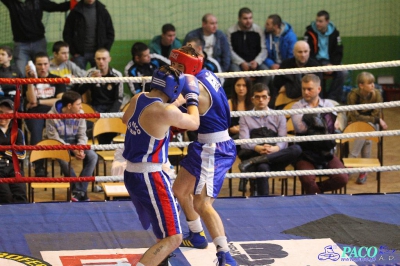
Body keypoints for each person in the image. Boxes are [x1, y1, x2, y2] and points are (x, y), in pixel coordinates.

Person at [122, 65, 200, 266]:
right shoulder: (165, 111)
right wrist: (192, 97)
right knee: (174, 237)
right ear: (174, 89)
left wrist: (178, 100)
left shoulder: (138, 98)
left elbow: (125, 119)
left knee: (165, 226)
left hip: (132, 173)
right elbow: (194, 122)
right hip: (150, 176)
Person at [170, 46, 237, 265]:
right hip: (203, 143)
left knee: (202, 203)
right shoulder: (206, 73)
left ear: (185, 66)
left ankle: (224, 254)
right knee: (180, 190)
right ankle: (197, 235)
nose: (172, 69)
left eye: (177, 66)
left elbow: (172, 107)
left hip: (214, 148)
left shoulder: (192, 84)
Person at [237, 83, 302, 196]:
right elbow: (244, 141)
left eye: (264, 97)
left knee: (297, 149)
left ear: (269, 99)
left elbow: (283, 140)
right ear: (252, 99)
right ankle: (264, 200)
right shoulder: (245, 116)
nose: (261, 100)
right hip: (256, 153)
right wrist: (258, 148)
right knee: (262, 167)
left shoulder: (279, 115)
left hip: (276, 156)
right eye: (257, 97)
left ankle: (254, 161)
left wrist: (274, 148)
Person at [291, 74, 348, 194]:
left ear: (319, 89)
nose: (305, 92)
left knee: (342, 178)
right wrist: (322, 120)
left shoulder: (329, 105)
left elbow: (331, 128)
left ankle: (316, 193)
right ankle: (318, 199)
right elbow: (301, 128)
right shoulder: (296, 106)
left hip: (326, 152)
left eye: (309, 89)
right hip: (305, 153)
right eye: (303, 89)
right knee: (307, 181)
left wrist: (310, 119)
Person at [46, 91, 98, 201]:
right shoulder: (51, 115)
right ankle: (79, 192)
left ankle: (78, 191)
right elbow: (55, 139)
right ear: (69, 106)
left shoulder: (80, 113)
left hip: (76, 142)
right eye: (78, 104)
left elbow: (82, 134)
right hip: (59, 144)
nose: (81, 107)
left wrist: (80, 147)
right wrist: (72, 149)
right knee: (63, 158)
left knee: (93, 156)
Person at [0, 0, 71, 76]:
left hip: (38, 42)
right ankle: (23, 88)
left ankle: (43, 87)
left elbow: (56, 7)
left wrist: (73, 3)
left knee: (43, 70)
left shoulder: (38, 1)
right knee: (20, 73)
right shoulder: (12, 3)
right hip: (21, 44)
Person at [24, 52, 67, 177]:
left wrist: (39, 101)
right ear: (34, 66)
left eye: (45, 64)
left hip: (52, 113)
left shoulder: (57, 79)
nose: (42, 67)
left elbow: (59, 100)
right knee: (36, 132)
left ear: (49, 64)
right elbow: (31, 100)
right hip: (34, 114)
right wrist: (30, 81)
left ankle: (65, 165)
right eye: (39, 64)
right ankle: (39, 167)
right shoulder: (27, 80)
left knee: (59, 133)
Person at [72, 48, 122, 144]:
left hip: (111, 108)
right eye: (98, 59)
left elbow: (119, 99)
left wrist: (109, 115)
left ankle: (105, 147)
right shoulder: (90, 73)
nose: (101, 61)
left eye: (104, 58)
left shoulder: (116, 75)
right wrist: (90, 81)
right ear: (95, 60)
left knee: (109, 128)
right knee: (84, 128)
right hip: (94, 107)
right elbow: (79, 92)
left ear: (109, 59)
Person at [346, 72, 387, 184]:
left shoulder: (377, 94)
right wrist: (375, 120)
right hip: (355, 124)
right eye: (369, 83)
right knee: (366, 132)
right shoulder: (353, 95)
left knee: (367, 129)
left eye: (373, 83)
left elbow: (376, 115)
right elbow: (354, 116)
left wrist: (375, 120)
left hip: (372, 125)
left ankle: (351, 162)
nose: (373, 85)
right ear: (361, 85)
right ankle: (364, 170)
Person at [304, 10, 345, 102]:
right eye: (317, 21)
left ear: (327, 22)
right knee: (317, 73)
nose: (317, 23)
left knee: (343, 73)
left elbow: (339, 51)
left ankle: (332, 99)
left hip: (330, 61)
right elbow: (308, 53)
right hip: (316, 61)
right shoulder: (309, 33)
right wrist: (319, 65)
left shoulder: (335, 33)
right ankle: (320, 99)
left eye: (320, 21)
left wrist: (333, 65)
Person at [63, 0, 115, 70]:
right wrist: (73, 51)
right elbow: (67, 33)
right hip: (79, 54)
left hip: (98, 53)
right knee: (78, 79)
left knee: (99, 79)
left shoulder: (103, 12)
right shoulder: (75, 12)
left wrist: (104, 51)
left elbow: (110, 33)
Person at [227, 7, 269, 86]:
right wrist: (241, 62)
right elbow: (230, 51)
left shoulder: (259, 30)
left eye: (250, 18)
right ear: (239, 18)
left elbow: (264, 49)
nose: (248, 21)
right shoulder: (231, 31)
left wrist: (257, 61)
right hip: (237, 63)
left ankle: (260, 94)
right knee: (234, 73)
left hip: (255, 62)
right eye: (245, 18)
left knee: (266, 72)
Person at [273, 41, 322, 105]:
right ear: (294, 52)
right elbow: (276, 83)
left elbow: (319, 89)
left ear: (309, 51)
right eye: (300, 52)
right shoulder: (285, 64)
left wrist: (287, 87)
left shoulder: (315, 66)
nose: (303, 55)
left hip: (309, 101)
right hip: (287, 100)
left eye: (305, 51)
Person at [0, 99, 27, 204]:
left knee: (21, 196)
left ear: (12, 115)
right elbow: (16, 153)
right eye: (1, 112)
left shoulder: (18, 132)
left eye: (7, 113)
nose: (3, 116)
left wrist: (2, 150)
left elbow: (22, 154)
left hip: (14, 168)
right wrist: (10, 150)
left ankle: (22, 220)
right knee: (6, 197)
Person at [0, 45, 24, 111]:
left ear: (10, 57)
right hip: (2, 98)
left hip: (15, 97)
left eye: (3, 54)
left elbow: (22, 85)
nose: (0, 56)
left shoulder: (16, 70)